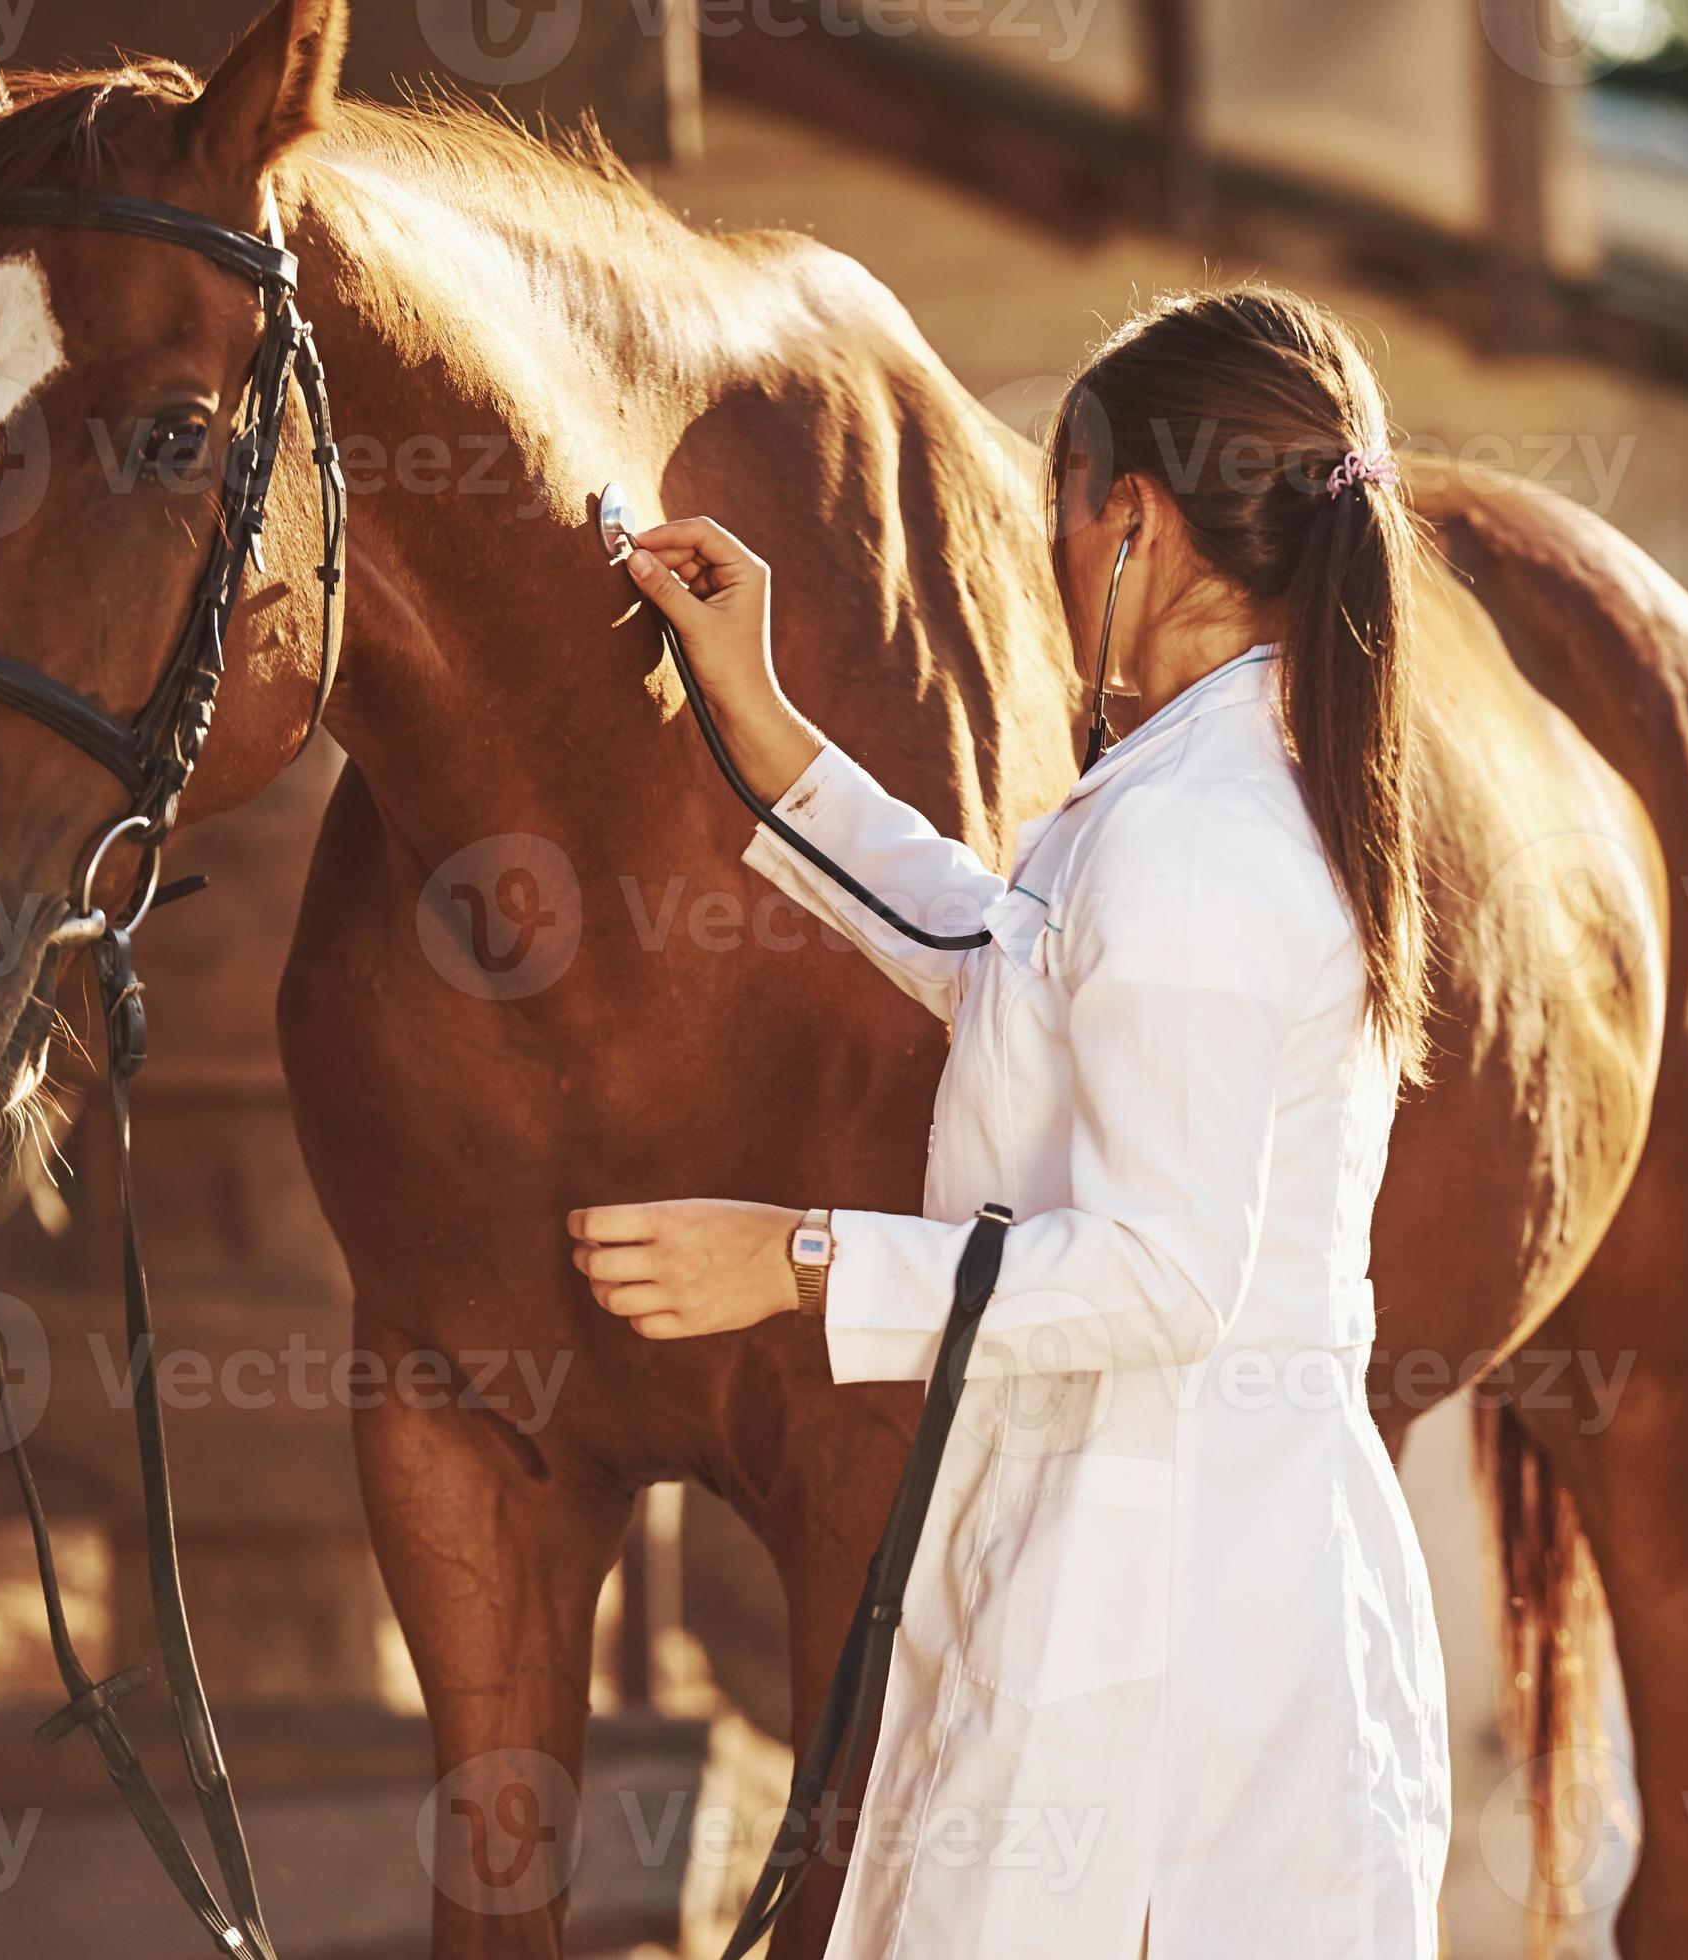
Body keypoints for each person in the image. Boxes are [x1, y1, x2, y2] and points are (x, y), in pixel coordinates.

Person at [566, 286, 1451, 1958]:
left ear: (1136, 518)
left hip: (1156, 1634)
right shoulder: (1215, 787)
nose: (1049, 553)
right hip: (1170, 1571)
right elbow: (1002, 958)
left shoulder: (1194, 833)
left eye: (1060, 506)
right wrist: (753, 709)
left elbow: (1165, 1276)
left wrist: (798, 1260)